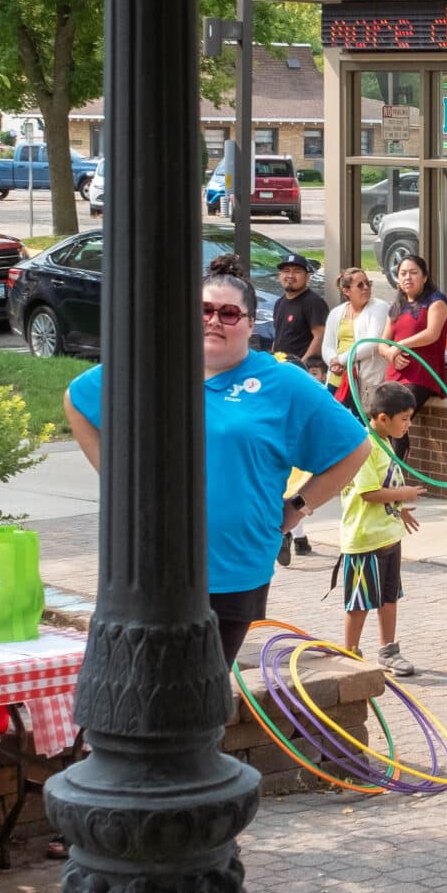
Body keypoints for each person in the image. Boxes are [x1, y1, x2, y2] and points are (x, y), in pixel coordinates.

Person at [65, 269, 371, 660]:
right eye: (204, 310)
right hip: (154, 563)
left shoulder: (281, 383)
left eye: (229, 313)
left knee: (199, 692)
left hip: (234, 567)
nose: (213, 320)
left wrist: (297, 508)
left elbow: (354, 447)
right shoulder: (154, 367)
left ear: (248, 323)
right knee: (141, 685)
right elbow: (78, 401)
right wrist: (119, 486)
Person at [334, 383, 426, 677]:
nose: (408, 425)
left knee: (389, 597)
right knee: (360, 602)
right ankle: (351, 653)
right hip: (364, 539)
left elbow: (385, 487)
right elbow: (368, 492)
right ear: (383, 418)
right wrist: (405, 494)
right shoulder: (364, 445)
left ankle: (388, 650)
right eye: (404, 419)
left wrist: (400, 511)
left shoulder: (385, 441)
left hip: (387, 536)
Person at [385, 255, 447, 416]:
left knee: (397, 416)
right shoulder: (396, 306)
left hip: (422, 375)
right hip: (395, 373)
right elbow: (382, 342)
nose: (407, 277)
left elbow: (431, 334)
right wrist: (390, 353)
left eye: (413, 272)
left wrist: (399, 346)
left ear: (425, 277)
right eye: (403, 273)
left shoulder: (436, 301)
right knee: (383, 418)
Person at [320, 267, 393, 415]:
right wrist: (333, 364)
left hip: (364, 381)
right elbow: (327, 346)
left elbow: (371, 343)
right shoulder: (336, 313)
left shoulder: (379, 307)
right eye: (360, 285)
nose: (366, 288)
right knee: (332, 423)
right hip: (338, 377)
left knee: (363, 427)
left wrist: (340, 360)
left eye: (368, 283)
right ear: (346, 291)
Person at [270, 253, 326, 368]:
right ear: (280, 275)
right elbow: (278, 337)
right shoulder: (279, 302)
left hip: (302, 371)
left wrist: (301, 365)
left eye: (297, 271)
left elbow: (320, 337)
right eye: (286, 271)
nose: (290, 275)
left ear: (307, 277)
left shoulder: (313, 302)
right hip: (281, 368)